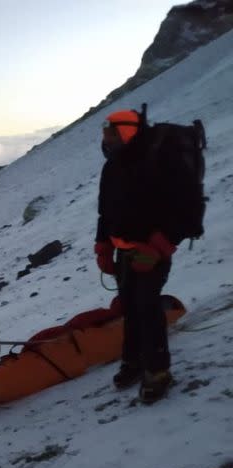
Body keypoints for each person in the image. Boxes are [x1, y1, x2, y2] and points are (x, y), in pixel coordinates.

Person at [95, 109, 178, 404]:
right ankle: (133, 361)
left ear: (128, 132)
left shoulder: (156, 162)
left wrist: (158, 249)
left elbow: (184, 212)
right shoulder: (113, 167)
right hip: (125, 253)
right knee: (130, 307)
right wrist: (103, 245)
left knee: (146, 306)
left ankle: (157, 371)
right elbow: (106, 212)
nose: (106, 139)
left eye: (111, 133)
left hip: (150, 253)